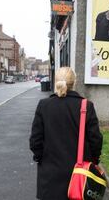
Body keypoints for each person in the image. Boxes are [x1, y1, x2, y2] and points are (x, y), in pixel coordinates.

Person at [29, 67, 103, 200]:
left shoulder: (44, 105)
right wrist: (94, 161)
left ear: (56, 81)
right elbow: (95, 140)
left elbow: (35, 141)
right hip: (79, 178)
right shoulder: (86, 106)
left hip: (50, 177)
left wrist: (41, 159)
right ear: (74, 82)